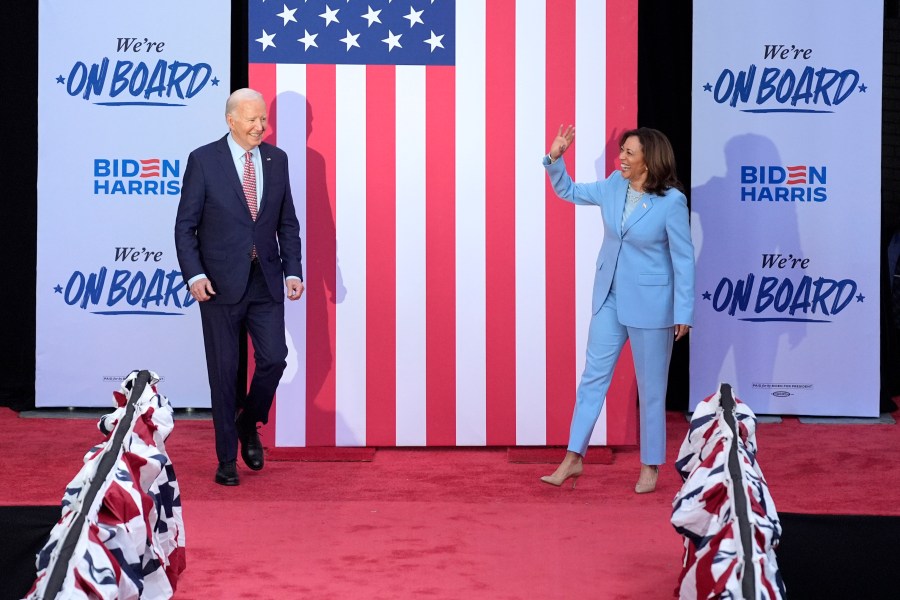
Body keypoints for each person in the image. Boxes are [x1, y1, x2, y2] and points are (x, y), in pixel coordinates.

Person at [540, 126, 694, 494]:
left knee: (651, 389)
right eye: (621, 151)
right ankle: (573, 457)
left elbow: (684, 259)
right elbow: (569, 191)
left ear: (648, 160)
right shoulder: (612, 185)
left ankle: (650, 465)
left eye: (628, 153)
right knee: (592, 378)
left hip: (652, 305)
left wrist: (684, 312)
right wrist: (555, 159)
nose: (620, 158)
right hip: (608, 296)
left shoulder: (671, 201)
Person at [175, 88, 304, 486]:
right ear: (231, 121)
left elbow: (287, 222)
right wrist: (195, 275)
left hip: (265, 281)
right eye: (252, 119)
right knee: (224, 372)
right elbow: (185, 227)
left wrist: (293, 271)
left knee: (274, 359)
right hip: (218, 286)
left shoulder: (277, 160)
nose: (260, 126)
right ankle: (226, 459)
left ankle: (248, 422)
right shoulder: (203, 160)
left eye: (263, 119)